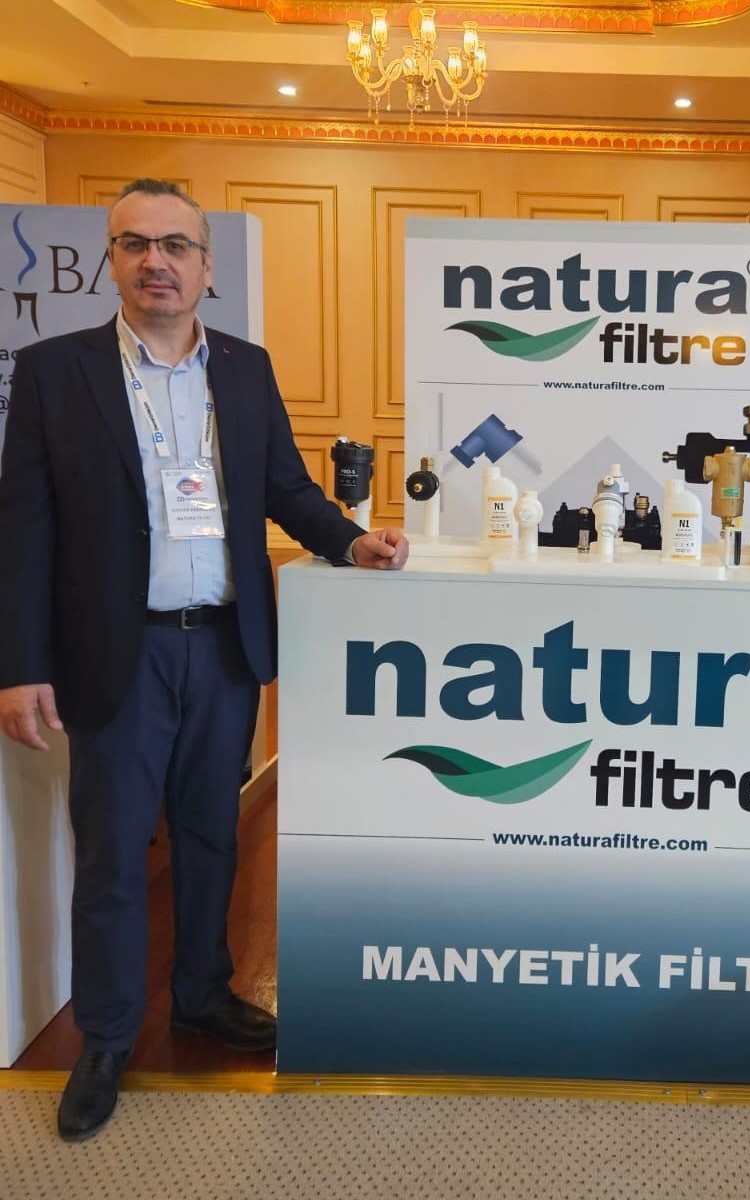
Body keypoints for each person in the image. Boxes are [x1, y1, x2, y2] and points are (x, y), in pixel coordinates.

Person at [0, 179, 410, 1142]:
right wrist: (19, 664)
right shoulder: (55, 372)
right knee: (113, 852)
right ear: (111, 260)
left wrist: (351, 540)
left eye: (176, 245)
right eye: (136, 244)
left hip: (224, 646)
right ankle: (107, 1037)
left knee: (210, 837)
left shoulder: (244, 366)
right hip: (115, 653)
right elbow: (22, 530)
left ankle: (199, 996)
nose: (158, 262)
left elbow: (286, 488)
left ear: (207, 265)